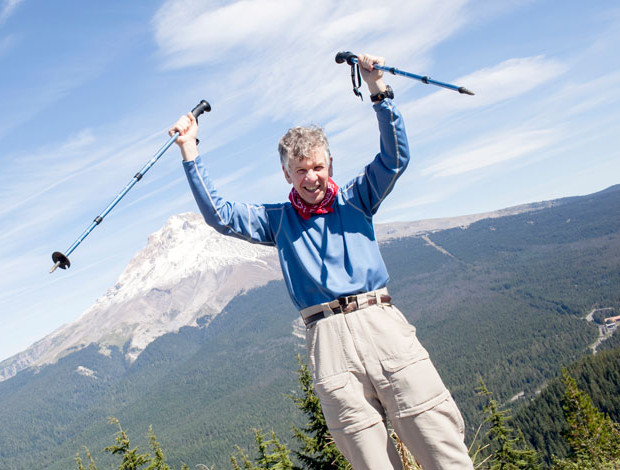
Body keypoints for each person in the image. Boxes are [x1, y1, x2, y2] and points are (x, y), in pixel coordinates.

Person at [169, 54, 474, 470]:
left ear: (329, 164)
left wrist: (379, 90)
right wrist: (190, 149)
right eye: (300, 170)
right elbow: (220, 214)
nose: (311, 177)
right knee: (368, 459)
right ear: (287, 175)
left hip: (381, 324)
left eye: (317, 166)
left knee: (439, 442)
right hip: (327, 340)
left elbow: (395, 159)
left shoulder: (357, 198)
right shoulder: (277, 221)